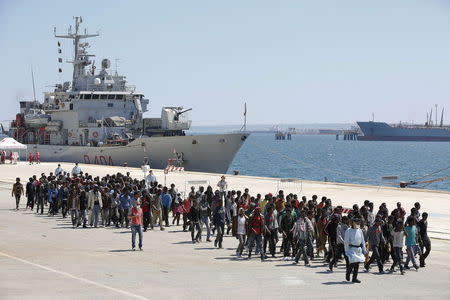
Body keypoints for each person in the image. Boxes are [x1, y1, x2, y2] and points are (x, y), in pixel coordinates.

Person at [344, 216, 367, 283]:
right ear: (353, 223)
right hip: (351, 249)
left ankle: (354, 278)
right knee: (353, 263)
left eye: (358, 222)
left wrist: (364, 249)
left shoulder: (359, 230)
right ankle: (348, 272)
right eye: (356, 222)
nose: (358, 223)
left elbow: (362, 241)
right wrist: (346, 250)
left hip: (358, 249)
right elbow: (346, 241)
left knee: (357, 263)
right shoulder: (348, 230)